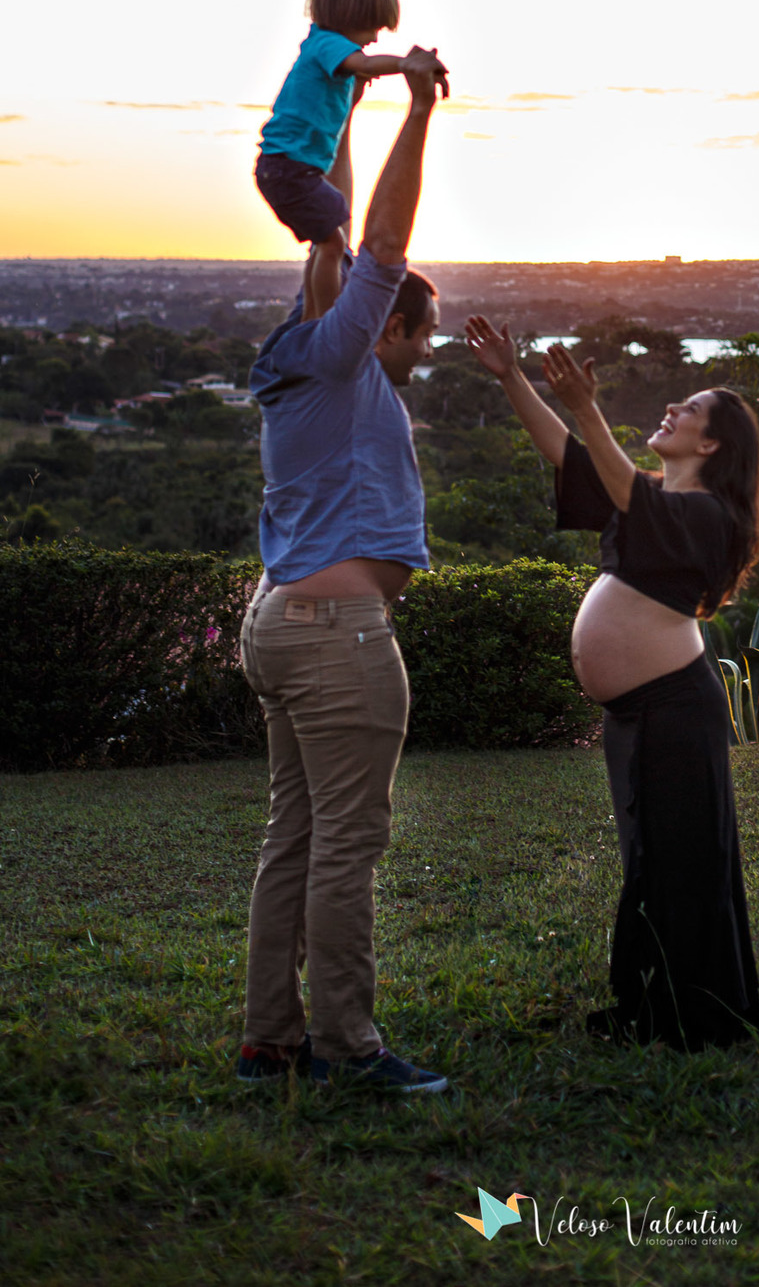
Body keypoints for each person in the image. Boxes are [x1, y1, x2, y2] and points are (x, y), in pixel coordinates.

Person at [464, 317, 759, 1051]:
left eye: (687, 410)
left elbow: (619, 479)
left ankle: (698, 1020)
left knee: (683, 864)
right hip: (642, 714)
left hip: (674, 709)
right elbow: (573, 460)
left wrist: (587, 404)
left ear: (712, 444)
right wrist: (511, 377)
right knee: (651, 863)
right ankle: (649, 1007)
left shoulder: (704, 515)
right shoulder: (652, 502)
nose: (671, 410)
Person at [236, 59, 448, 1095]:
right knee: (344, 848)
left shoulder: (293, 356)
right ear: (378, 320)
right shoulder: (339, 357)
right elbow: (381, 242)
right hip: (334, 635)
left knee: (295, 836)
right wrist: (415, 110)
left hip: (280, 621)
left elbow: (334, 242)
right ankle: (352, 1049)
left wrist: (348, 109)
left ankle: (269, 1039)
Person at [256, 0, 448, 322]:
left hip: (290, 168)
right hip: (288, 169)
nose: (375, 37)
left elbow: (356, 69)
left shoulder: (323, 48)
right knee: (334, 244)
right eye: (374, 26)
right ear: (353, 14)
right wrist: (408, 65)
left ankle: (312, 319)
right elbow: (366, 62)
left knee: (327, 240)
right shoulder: (329, 45)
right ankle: (323, 324)